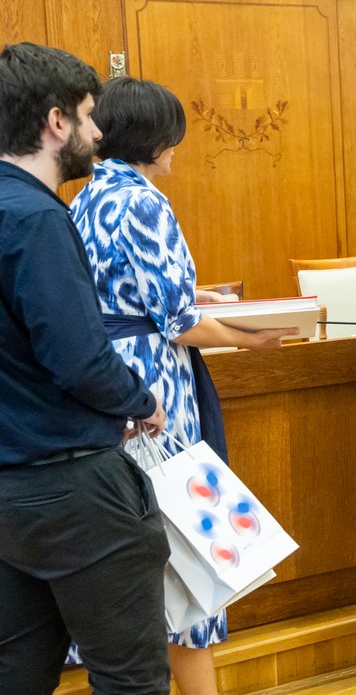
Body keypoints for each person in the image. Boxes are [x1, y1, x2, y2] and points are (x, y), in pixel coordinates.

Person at [68, 76, 295, 694]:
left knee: (135, 559)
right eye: (173, 134)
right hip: (154, 387)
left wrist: (197, 294)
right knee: (188, 559)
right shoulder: (143, 201)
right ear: (153, 138)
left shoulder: (88, 196)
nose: (177, 147)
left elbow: (123, 290)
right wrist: (250, 338)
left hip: (109, 380)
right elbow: (177, 322)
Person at [0, 42, 170, 693]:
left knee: (16, 673)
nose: (98, 133)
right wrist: (141, 401)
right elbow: (78, 358)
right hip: (71, 490)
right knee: (131, 680)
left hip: (9, 492)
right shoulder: (37, 219)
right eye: (89, 115)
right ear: (56, 122)